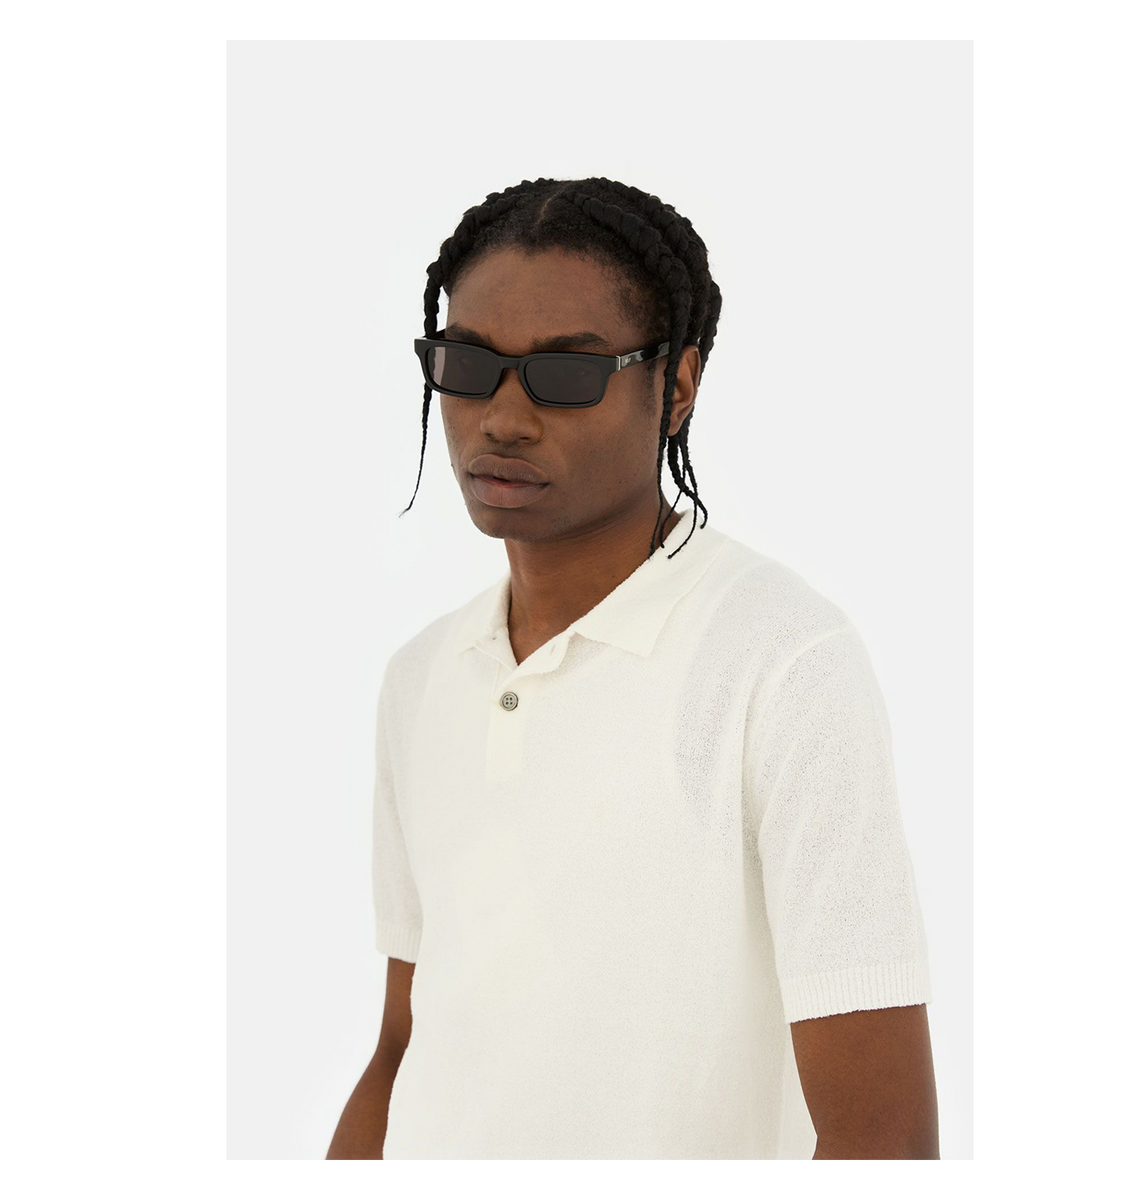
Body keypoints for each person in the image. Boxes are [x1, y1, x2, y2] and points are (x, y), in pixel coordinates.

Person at [326, 177, 938, 1163]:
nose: (503, 417)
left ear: (678, 386)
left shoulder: (785, 664)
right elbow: (403, 1048)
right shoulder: (423, 677)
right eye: (468, 365)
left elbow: (883, 1135)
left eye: (565, 374)